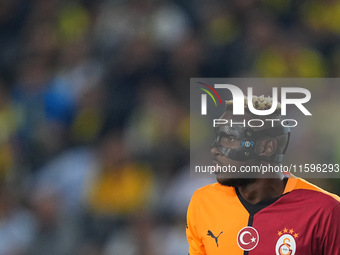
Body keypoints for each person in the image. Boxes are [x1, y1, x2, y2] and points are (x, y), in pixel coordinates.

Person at [186, 96, 340, 255]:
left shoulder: (325, 211)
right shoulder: (202, 203)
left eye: (230, 138)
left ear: (266, 147)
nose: (214, 150)